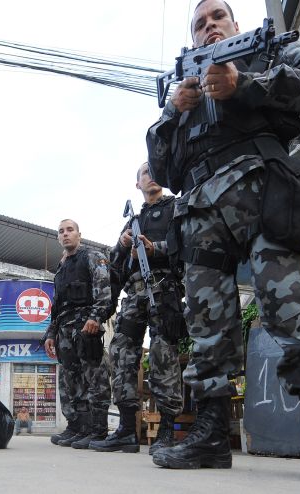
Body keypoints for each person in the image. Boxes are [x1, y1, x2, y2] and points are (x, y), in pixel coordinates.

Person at [146, 0, 300, 484]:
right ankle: (208, 435)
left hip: (264, 192)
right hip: (201, 210)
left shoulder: (269, 48)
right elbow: (163, 169)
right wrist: (172, 113)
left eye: (216, 18)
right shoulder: (181, 88)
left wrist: (243, 85)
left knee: (291, 304)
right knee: (206, 325)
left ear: (235, 24)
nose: (209, 28)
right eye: (199, 24)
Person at [92, 162, 184, 454]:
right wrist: (122, 246)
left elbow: (187, 243)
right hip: (133, 296)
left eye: (154, 169)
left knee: (162, 353)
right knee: (120, 353)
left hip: (164, 289)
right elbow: (115, 270)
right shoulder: (132, 222)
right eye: (145, 172)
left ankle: (168, 429)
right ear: (137, 185)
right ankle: (126, 429)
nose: (151, 175)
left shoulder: (177, 209)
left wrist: (155, 248)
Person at [43, 219, 112, 450]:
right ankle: (78, 427)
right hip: (64, 329)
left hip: (85, 326)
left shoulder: (92, 256)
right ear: (58, 238)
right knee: (71, 382)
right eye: (61, 231)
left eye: (70, 230)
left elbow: (103, 288)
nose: (65, 234)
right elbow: (56, 305)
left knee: (95, 378)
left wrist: (96, 317)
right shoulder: (61, 268)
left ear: (79, 235)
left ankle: (99, 430)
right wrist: (50, 333)